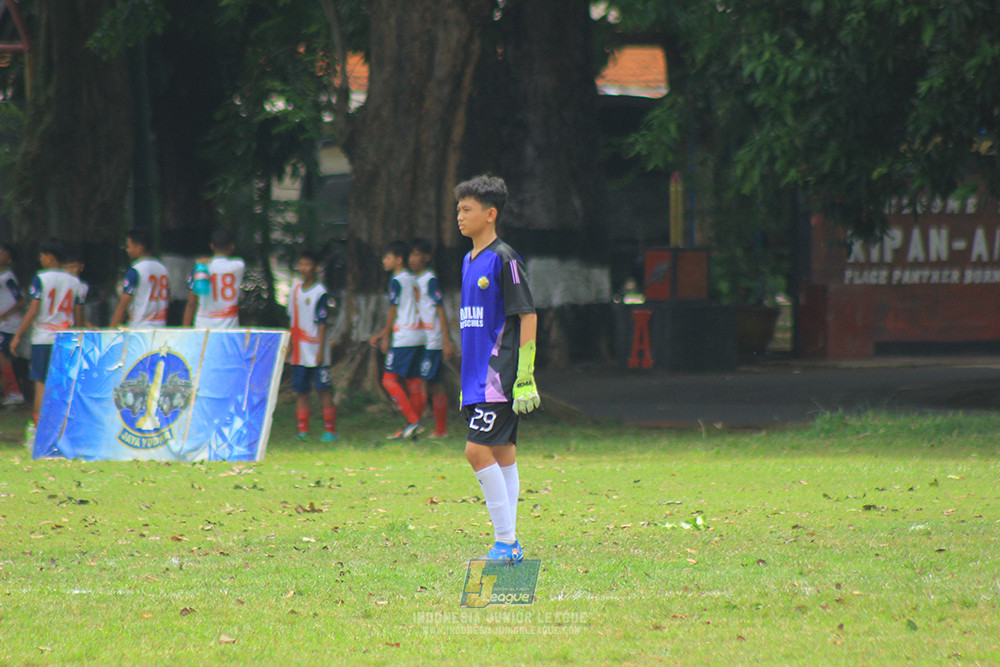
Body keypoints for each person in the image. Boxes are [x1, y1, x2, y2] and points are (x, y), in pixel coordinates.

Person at [456, 174, 540, 563]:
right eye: (459, 209)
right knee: (503, 454)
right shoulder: (468, 261)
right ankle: (512, 543)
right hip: (475, 379)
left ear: (490, 215)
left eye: (467, 209)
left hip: (499, 376)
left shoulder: (505, 258)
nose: (460, 215)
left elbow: (527, 315)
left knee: (477, 452)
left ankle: (506, 543)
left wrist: (525, 375)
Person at [10, 238, 82, 427]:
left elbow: (34, 309)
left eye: (42, 256)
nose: (40, 259)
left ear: (49, 258)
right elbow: (78, 313)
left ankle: (39, 425)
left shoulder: (40, 278)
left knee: (40, 382)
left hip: (43, 337)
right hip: (66, 337)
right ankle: (63, 424)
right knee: (63, 383)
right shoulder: (75, 281)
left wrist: (18, 335)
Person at [368, 240, 426, 440]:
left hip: (404, 335)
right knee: (413, 381)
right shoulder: (412, 278)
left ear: (398, 260)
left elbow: (393, 308)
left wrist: (386, 334)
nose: (384, 261)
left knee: (389, 380)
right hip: (419, 334)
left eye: (387, 257)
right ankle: (413, 427)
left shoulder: (396, 280)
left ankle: (413, 420)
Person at [287, 249, 337, 442]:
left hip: (316, 350)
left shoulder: (320, 293)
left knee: (323, 389)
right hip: (299, 350)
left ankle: (330, 430)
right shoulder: (294, 290)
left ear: (316, 268)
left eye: (307, 264)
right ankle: (303, 431)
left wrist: (321, 351)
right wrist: (289, 346)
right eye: (301, 264)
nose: (303, 268)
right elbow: (291, 319)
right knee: (301, 390)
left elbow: (322, 324)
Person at [409, 237, 454, 438]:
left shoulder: (430, 279)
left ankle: (438, 429)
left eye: (417, 254)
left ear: (427, 257)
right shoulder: (411, 280)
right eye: (410, 254)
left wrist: (446, 340)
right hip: (417, 339)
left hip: (432, 341)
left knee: (431, 384)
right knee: (421, 382)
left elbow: (440, 309)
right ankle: (419, 425)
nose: (412, 259)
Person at [183, 229, 245, 328]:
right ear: (232, 246)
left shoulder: (201, 267)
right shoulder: (239, 265)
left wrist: (184, 330)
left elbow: (191, 303)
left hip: (203, 325)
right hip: (229, 327)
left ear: (211, 246)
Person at [110, 228, 170, 328]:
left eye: (129, 247)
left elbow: (123, 306)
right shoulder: (163, 269)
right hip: (160, 327)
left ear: (139, 248)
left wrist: (111, 331)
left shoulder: (136, 270)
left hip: (139, 329)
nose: (127, 250)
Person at [0, 242, 25, 406]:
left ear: (9, 258)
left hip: (8, 325)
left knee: (3, 357)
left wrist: (4, 315)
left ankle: (14, 392)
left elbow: (21, 300)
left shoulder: (8, 278)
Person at [62, 251, 92, 328]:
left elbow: (79, 310)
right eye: (66, 268)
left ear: (81, 267)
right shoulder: (59, 284)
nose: (69, 270)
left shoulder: (82, 285)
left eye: (73, 267)